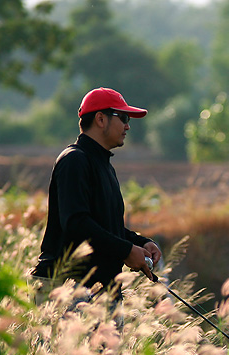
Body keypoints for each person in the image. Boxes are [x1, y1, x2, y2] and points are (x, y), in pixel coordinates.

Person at [31, 87, 161, 302]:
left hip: (102, 292)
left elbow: (106, 226)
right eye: (123, 117)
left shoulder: (105, 166)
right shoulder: (74, 160)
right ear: (101, 119)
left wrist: (140, 242)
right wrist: (126, 250)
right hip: (67, 290)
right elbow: (76, 222)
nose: (128, 126)